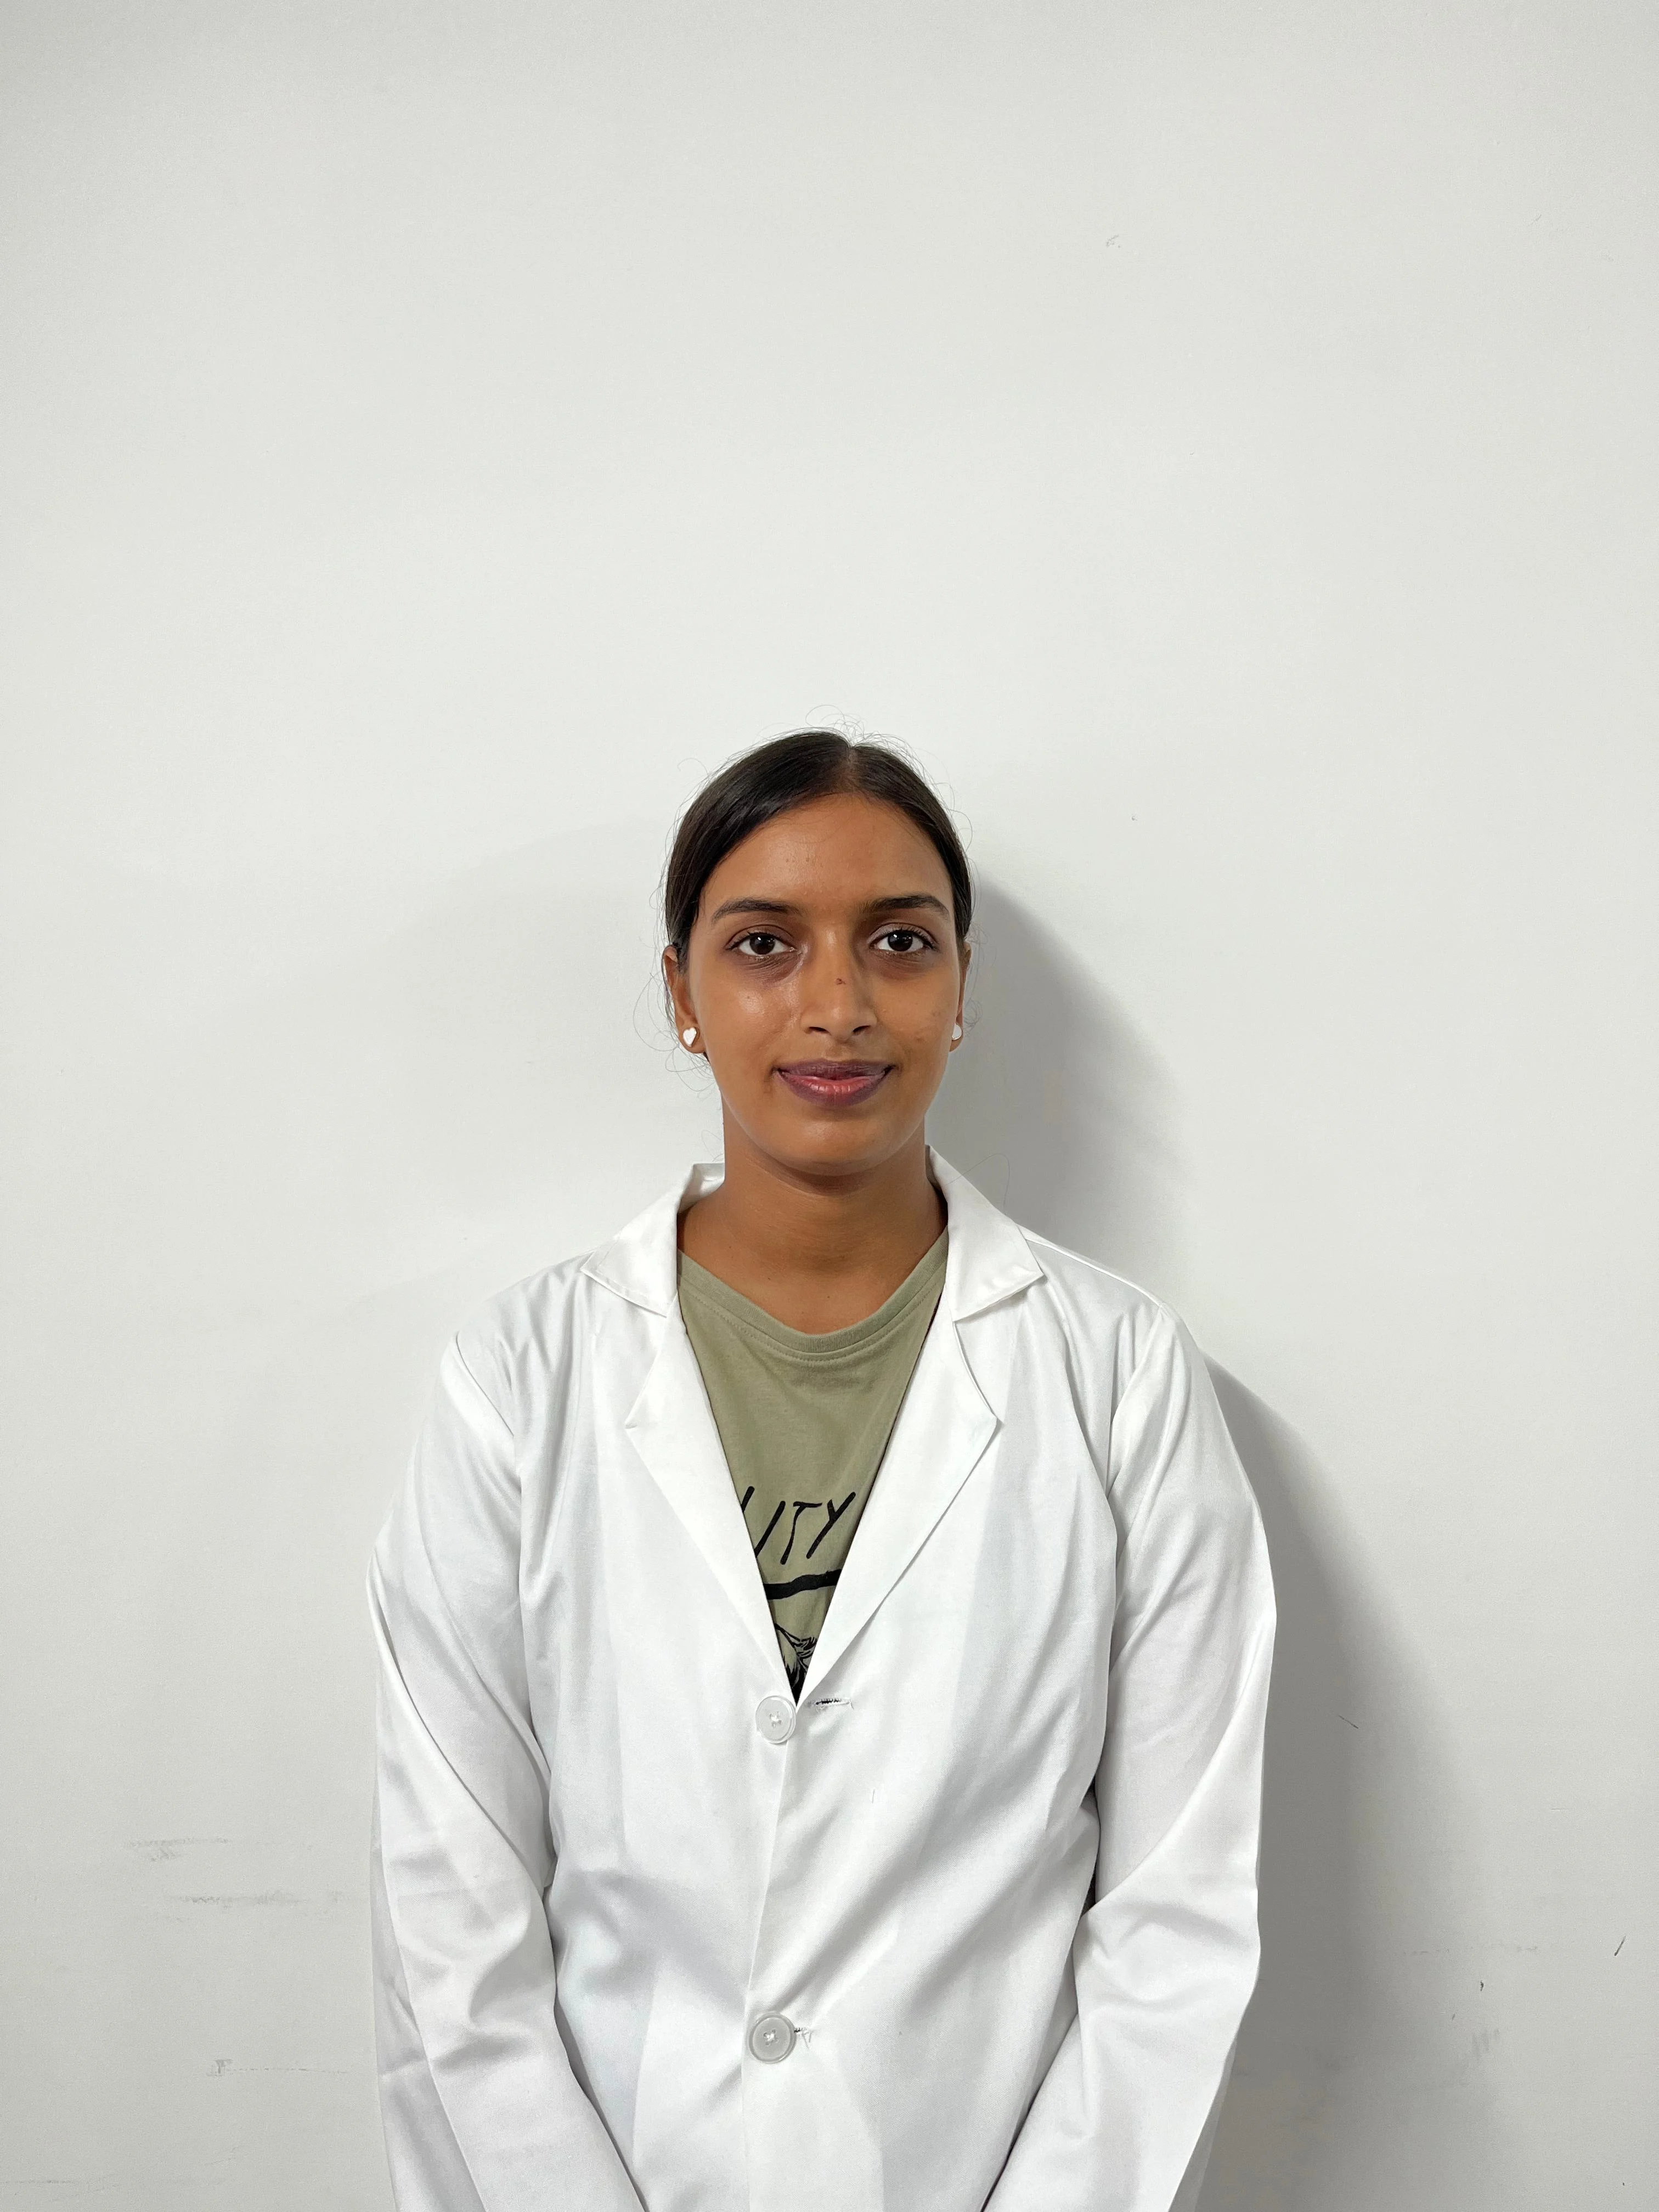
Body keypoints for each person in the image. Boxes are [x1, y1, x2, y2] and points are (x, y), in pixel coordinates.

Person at [368, 730, 1276, 2212]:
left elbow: (1175, 1921)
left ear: (963, 985)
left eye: (899, 942)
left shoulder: (1121, 1380)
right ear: (682, 994)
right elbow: (447, 1925)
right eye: (765, 945)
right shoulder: (522, 1383)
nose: (837, 1005)